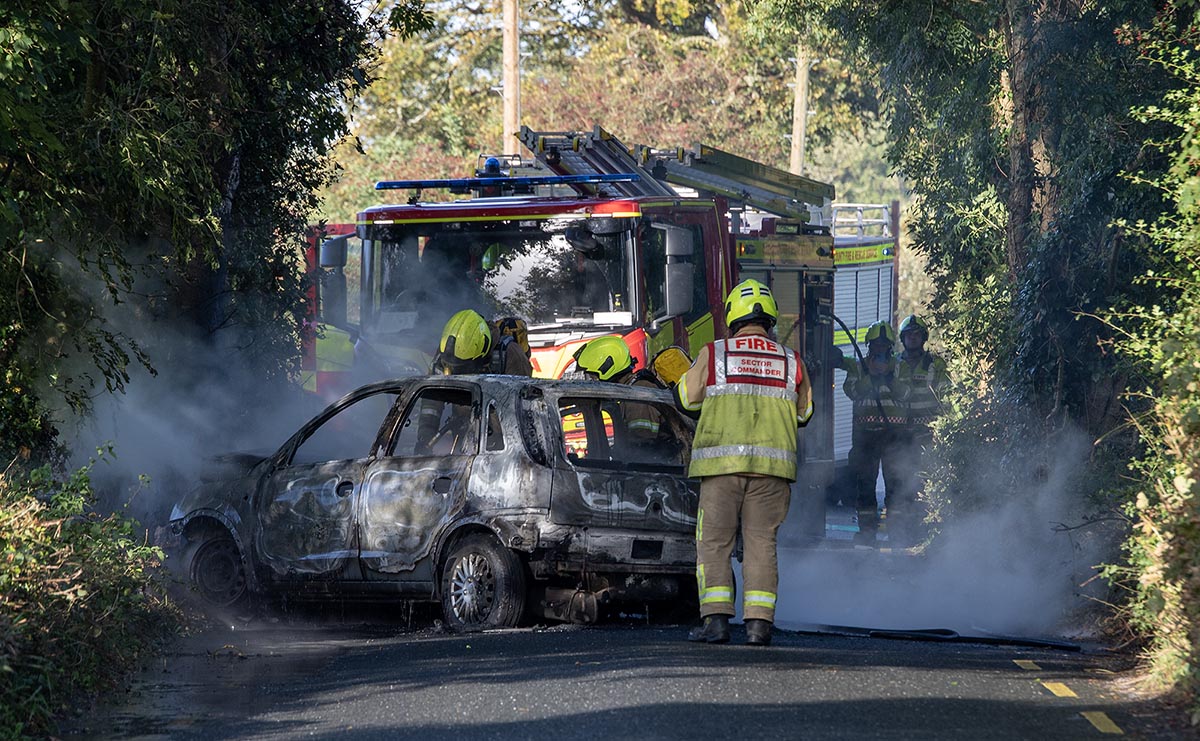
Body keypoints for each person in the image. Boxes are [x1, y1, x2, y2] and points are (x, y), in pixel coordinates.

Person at [675, 279, 813, 646]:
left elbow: (687, 401)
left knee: (714, 543)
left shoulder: (715, 353)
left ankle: (716, 624)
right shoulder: (791, 361)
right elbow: (805, 413)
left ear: (733, 315)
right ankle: (758, 627)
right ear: (770, 319)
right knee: (760, 543)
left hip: (721, 470)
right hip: (772, 474)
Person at [840, 320, 905, 547]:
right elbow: (851, 391)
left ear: (890, 346)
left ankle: (897, 534)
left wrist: (888, 378)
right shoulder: (859, 366)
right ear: (869, 345)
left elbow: (906, 394)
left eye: (884, 344)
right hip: (864, 437)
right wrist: (871, 378)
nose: (880, 348)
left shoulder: (899, 366)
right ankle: (867, 533)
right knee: (865, 486)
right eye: (876, 344)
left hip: (892, 436)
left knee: (894, 486)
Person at [891, 314, 949, 547]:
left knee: (924, 483)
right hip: (900, 434)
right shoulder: (895, 363)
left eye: (916, 335)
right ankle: (900, 534)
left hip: (927, 433)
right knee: (899, 484)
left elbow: (947, 395)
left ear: (923, 338)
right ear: (903, 339)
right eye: (908, 335)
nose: (912, 339)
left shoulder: (936, 365)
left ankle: (923, 532)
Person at [573, 336, 665, 444]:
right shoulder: (627, 392)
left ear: (607, 368)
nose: (592, 382)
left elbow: (643, 447)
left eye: (593, 377)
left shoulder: (638, 396)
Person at [430, 309, 533, 377]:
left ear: (483, 351)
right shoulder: (447, 350)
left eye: (463, 367)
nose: (455, 371)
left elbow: (520, 402)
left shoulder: (512, 355)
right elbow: (433, 390)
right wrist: (428, 410)